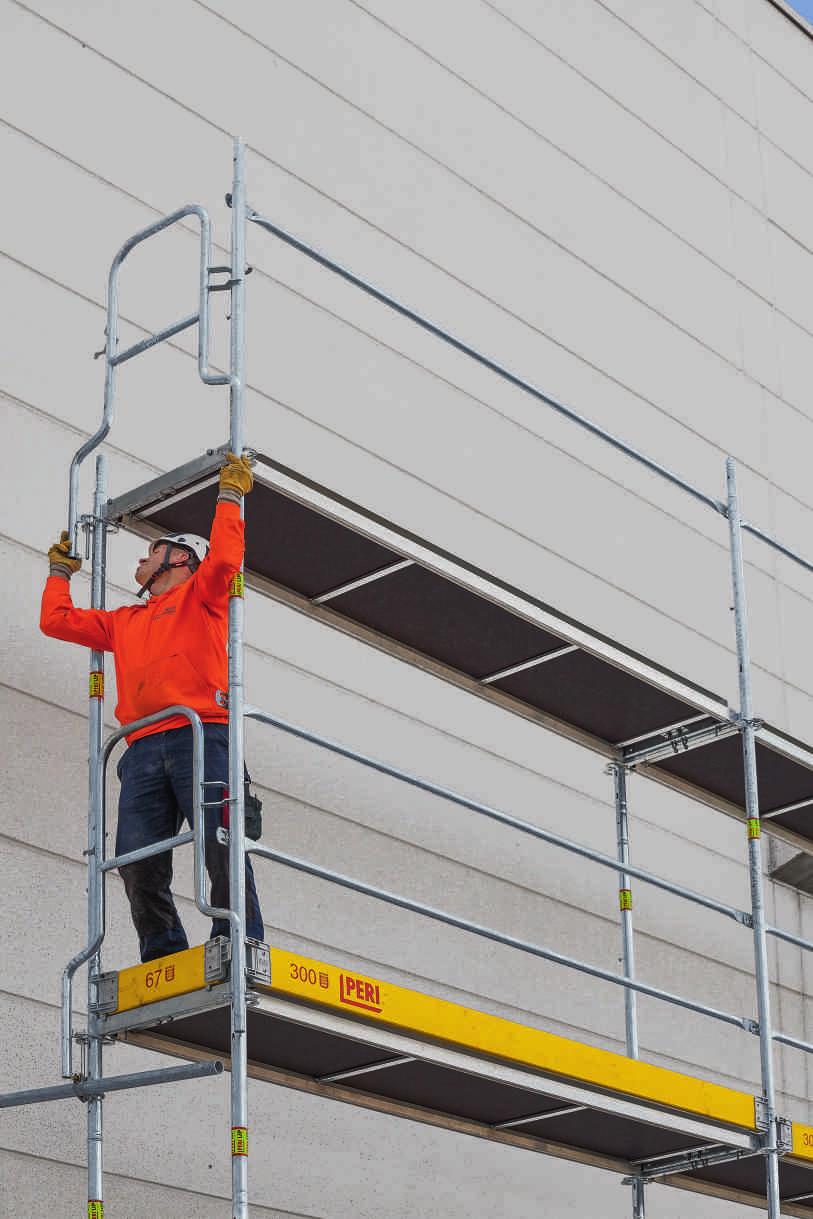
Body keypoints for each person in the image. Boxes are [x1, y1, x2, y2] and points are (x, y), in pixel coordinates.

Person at [40, 451, 264, 963]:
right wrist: (59, 571)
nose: (139, 561)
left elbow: (227, 560)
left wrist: (230, 496)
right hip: (142, 747)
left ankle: (238, 938)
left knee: (220, 840)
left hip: (202, 734)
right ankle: (164, 956)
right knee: (137, 859)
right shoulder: (125, 619)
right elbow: (56, 621)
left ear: (180, 559)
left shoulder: (203, 597)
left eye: (150, 551)